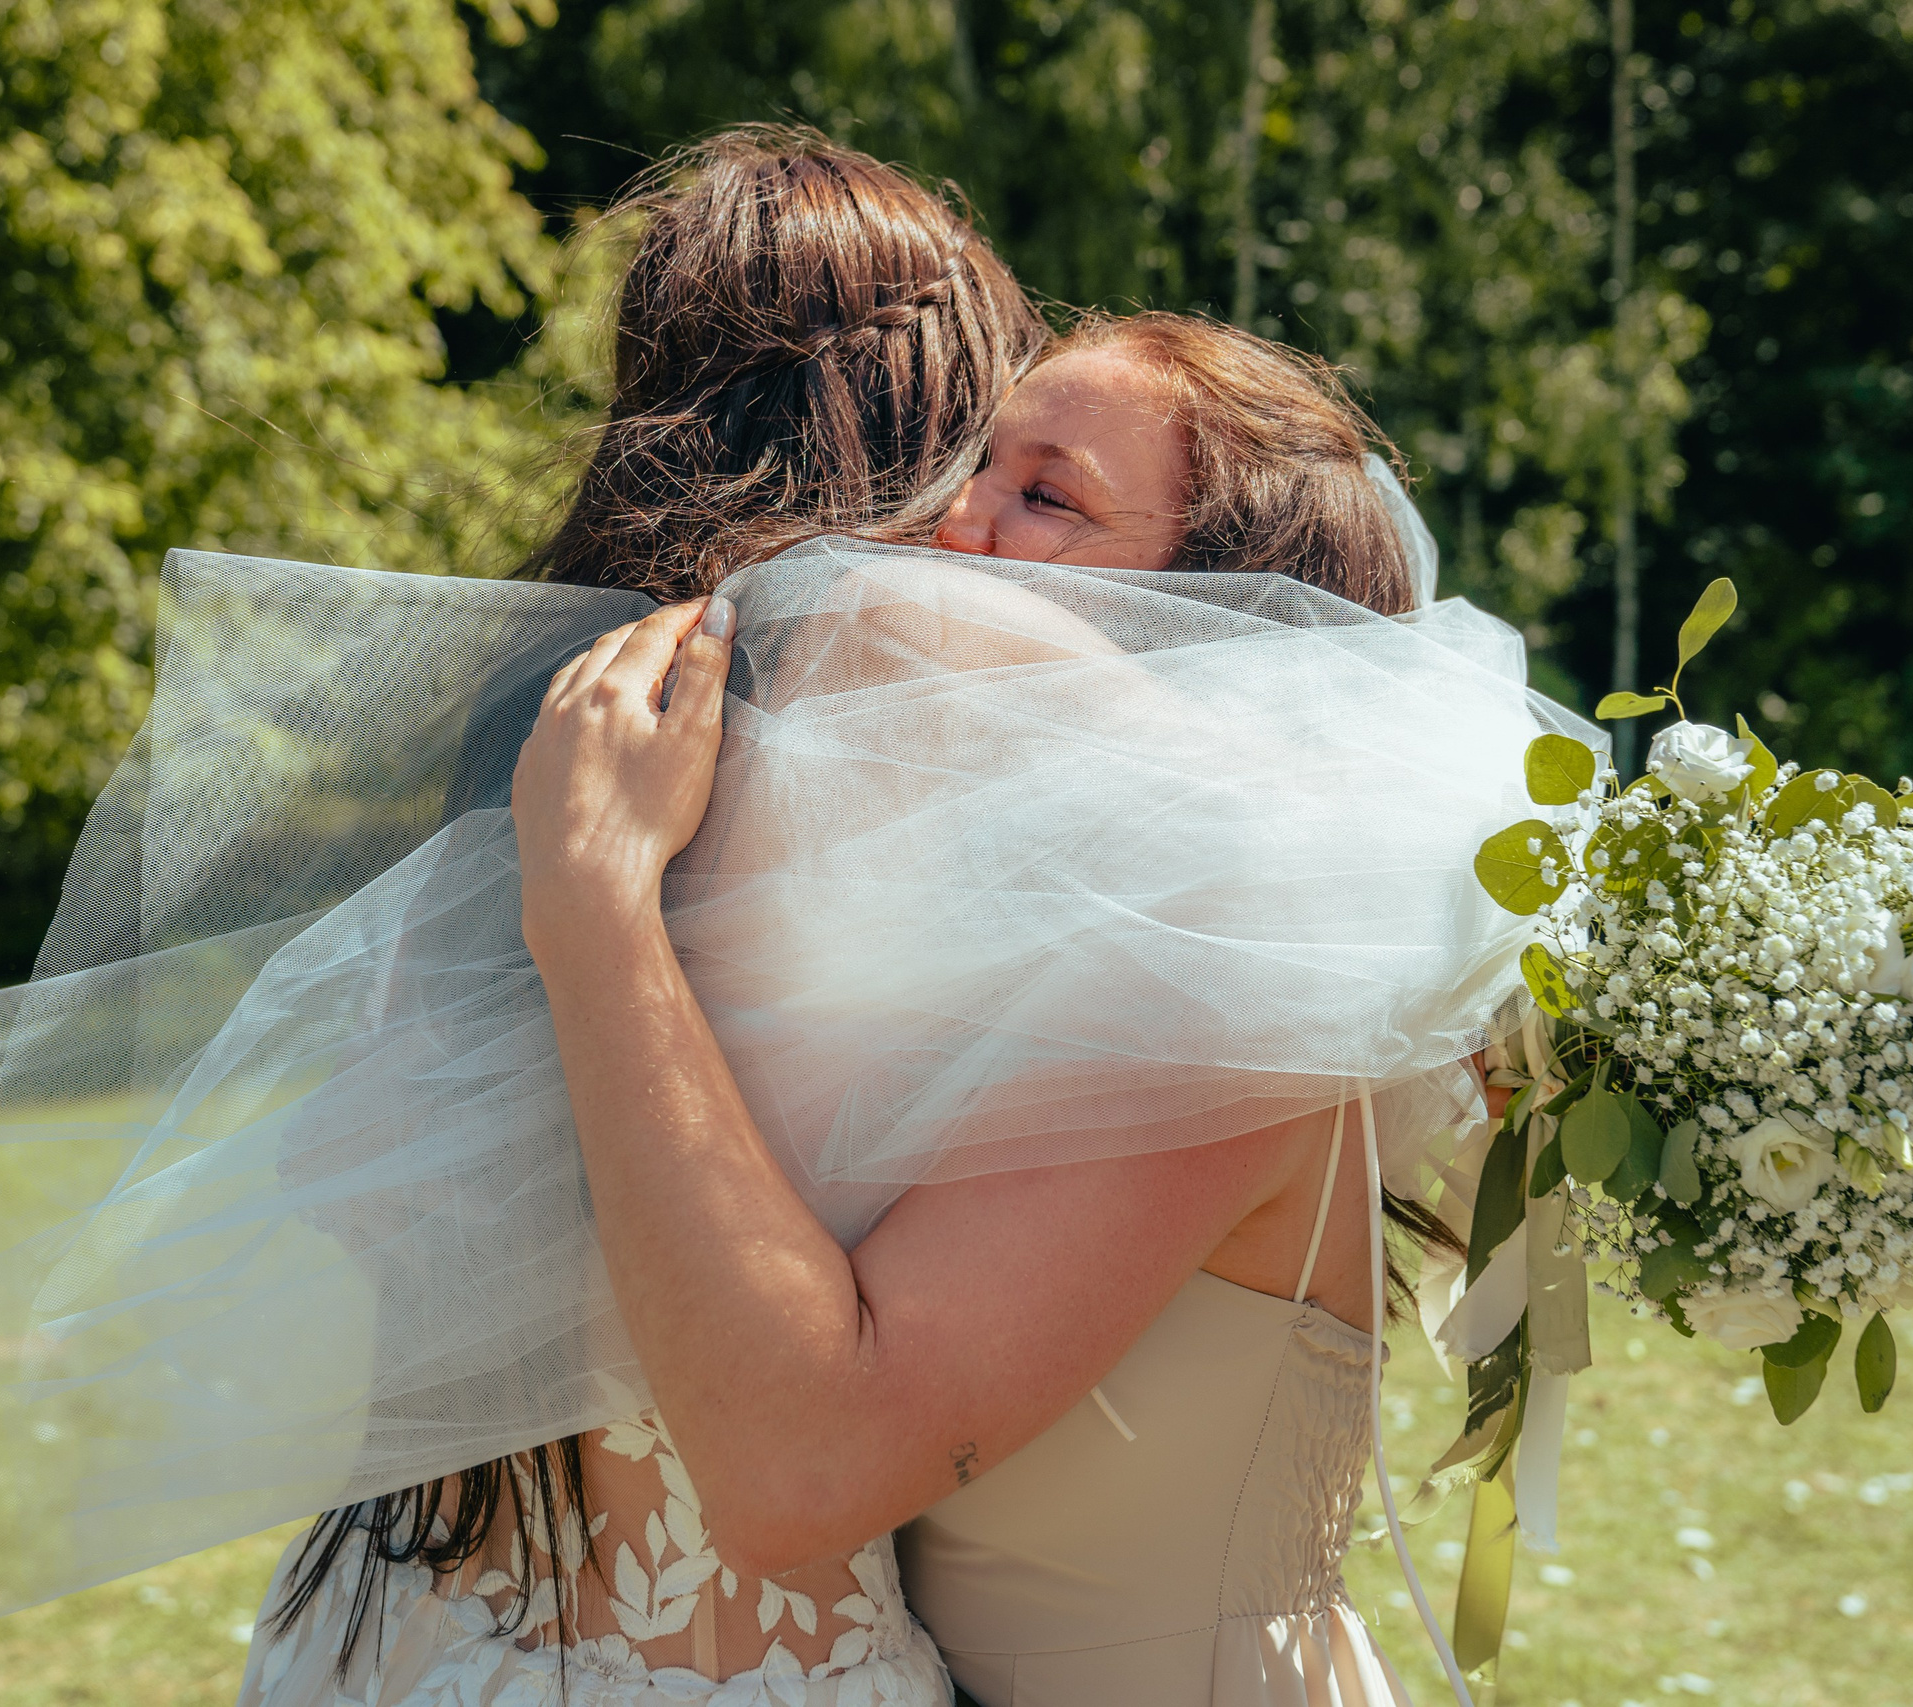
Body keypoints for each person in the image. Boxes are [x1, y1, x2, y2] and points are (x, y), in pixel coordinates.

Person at [506, 312, 1523, 1706]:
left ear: (1239, 630)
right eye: (970, 467)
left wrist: (599, 904)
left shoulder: (1216, 999)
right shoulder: (1016, 954)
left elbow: (802, 1463)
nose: (944, 528)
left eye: (1047, 497)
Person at [231, 124, 1043, 1707]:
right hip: (740, 1660)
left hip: (408, 1623)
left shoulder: (543, 724)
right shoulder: (921, 737)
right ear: (944, 410)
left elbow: (356, 1175)